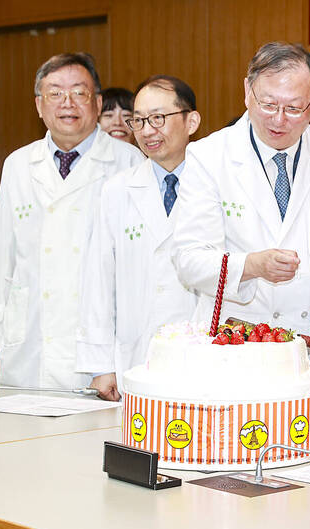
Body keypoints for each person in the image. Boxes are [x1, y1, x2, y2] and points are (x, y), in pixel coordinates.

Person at [172, 42, 310, 441]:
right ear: (247, 91)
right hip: (238, 340)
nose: (279, 120)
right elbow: (188, 258)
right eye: (267, 104)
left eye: (294, 108)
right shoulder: (208, 156)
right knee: (237, 471)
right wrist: (252, 265)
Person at [0, 53, 144, 388]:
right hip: (28, 344)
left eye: (79, 93)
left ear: (97, 103)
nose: (67, 103)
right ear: (39, 105)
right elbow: (2, 259)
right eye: (55, 93)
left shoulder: (129, 163)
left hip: (99, 351)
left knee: (90, 438)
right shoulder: (18, 164)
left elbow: (138, 267)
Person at [78, 76, 201, 400]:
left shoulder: (216, 185)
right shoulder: (117, 190)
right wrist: (100, 365)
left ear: (191, 121)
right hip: (136, 356)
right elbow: (99, 280)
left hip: (203, 358)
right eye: (139, 120)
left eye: (158, 118)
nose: (147, 130)